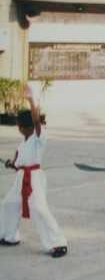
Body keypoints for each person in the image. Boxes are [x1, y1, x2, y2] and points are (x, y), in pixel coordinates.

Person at [0, 84, 67, 258]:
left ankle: (58, 243)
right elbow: (17, 164)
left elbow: (37, 121)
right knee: (9, 204)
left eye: (19, 125)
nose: (18, 127)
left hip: (34, 178)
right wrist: (11, 164)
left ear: (24, 126)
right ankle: (10, 236)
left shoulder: (39, 138)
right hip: (21, 177)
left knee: (39, 208)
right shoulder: (23, 143)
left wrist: (31, 100)